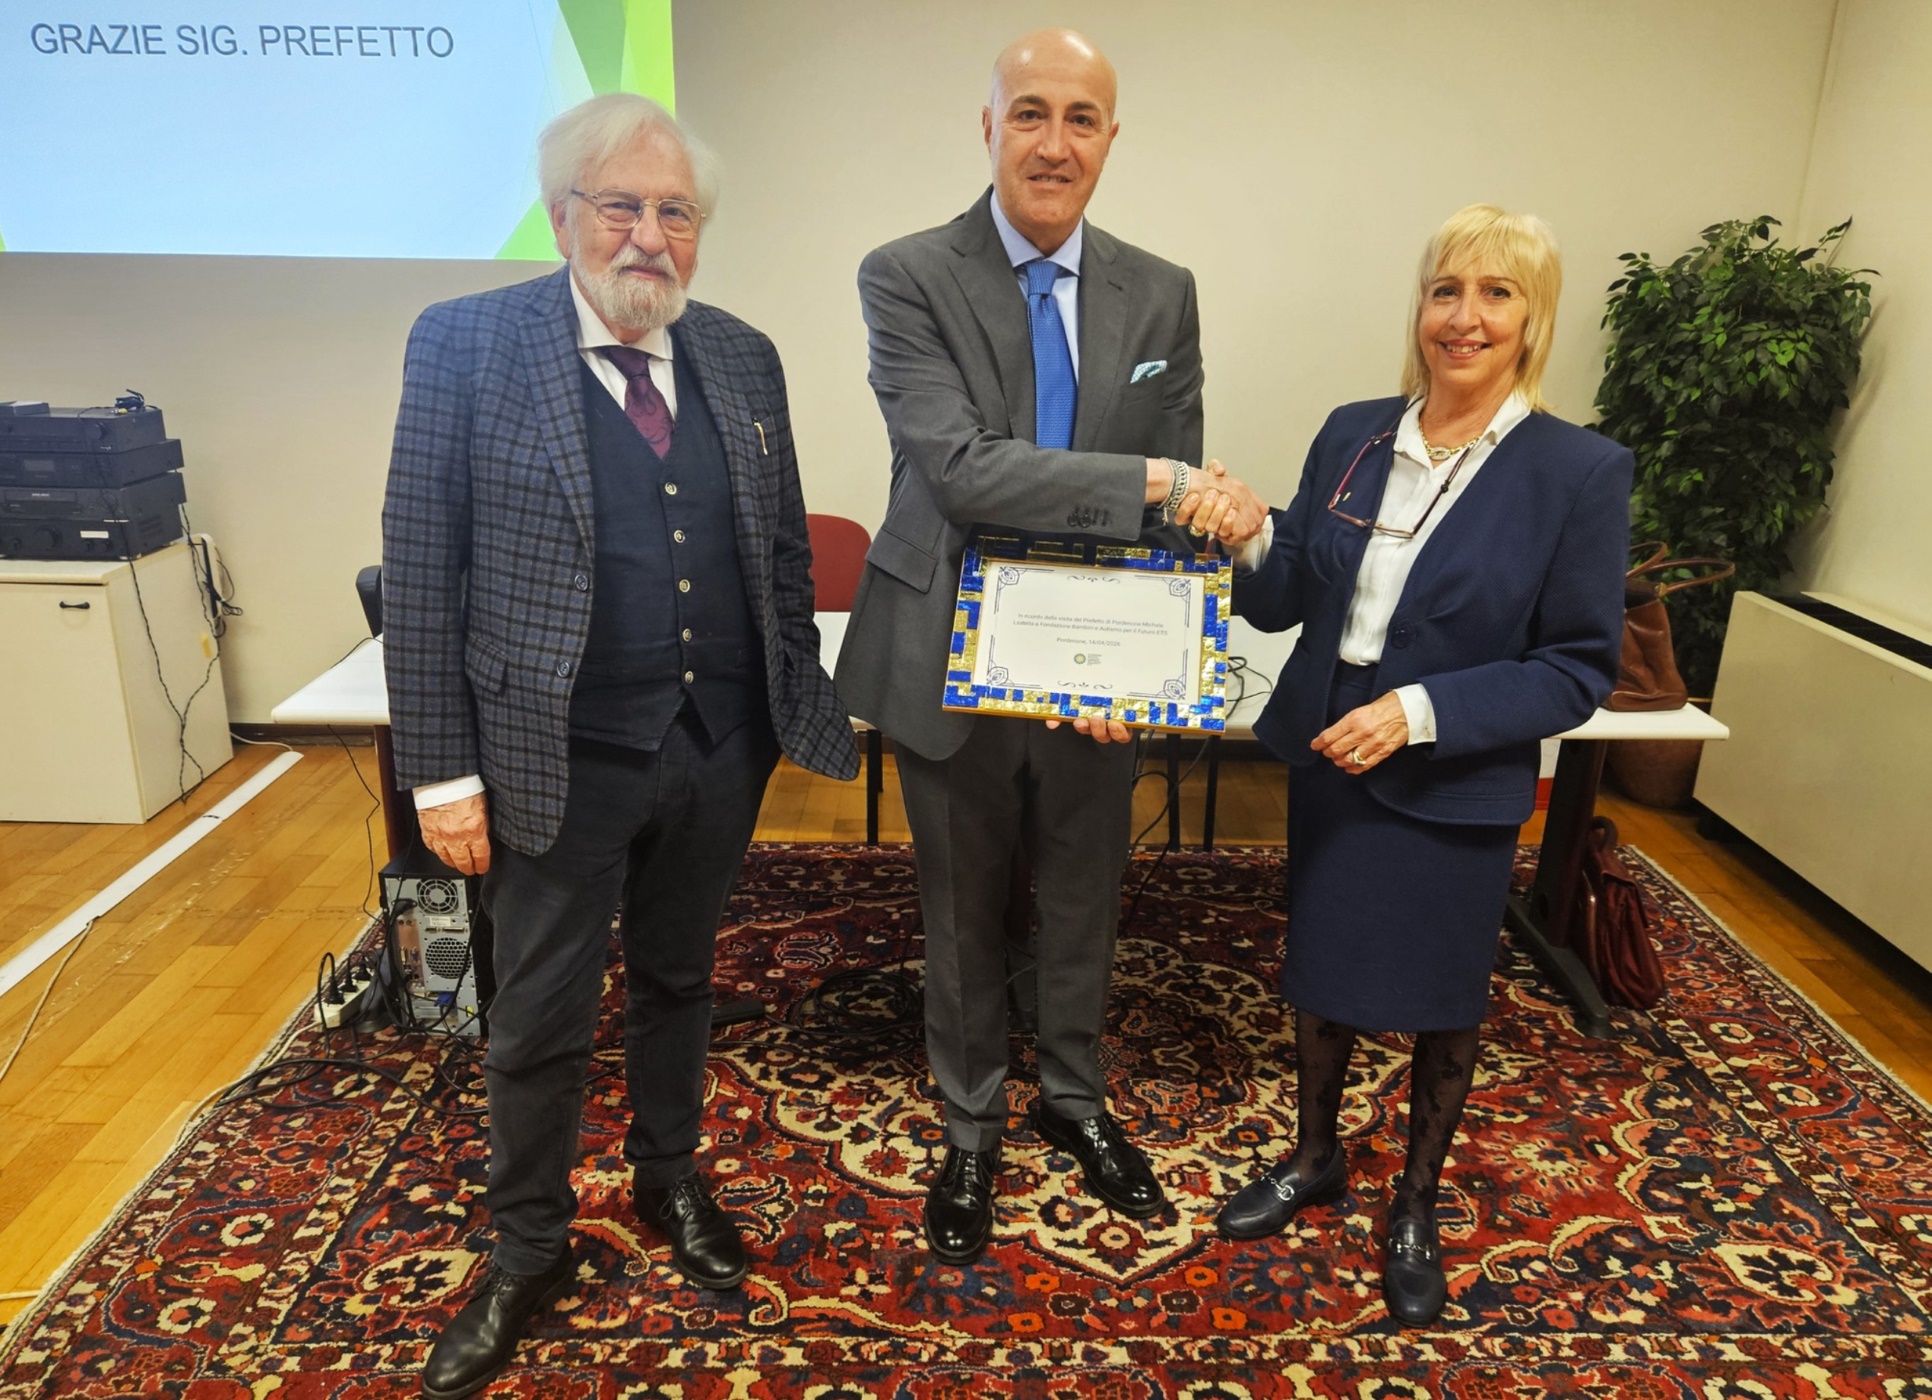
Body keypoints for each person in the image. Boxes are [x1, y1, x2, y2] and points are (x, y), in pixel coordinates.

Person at [381, 94, 857, 1399]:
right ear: (562, 218)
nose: (649, 235)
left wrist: (779, 708)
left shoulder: (743, 357)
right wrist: (443, 772)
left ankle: (666, 1176)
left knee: (679, 977)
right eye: (621, 206)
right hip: (553, 755)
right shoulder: (467, 344)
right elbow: (421, 572)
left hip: (716, 744)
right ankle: (528, 1247)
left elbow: (777, 550)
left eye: (675, 211)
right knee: (537, 1014)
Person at [836, 28, 1266, 1265]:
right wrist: (1157, 479)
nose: (1055, 142)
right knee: (962, 908)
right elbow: (963, 470)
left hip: (1103, 665)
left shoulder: (1163, 289)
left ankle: (1074, 1099)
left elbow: (1176, 505)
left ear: (1111, 139)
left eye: (1082, 119)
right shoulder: (906, 274)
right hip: (946, 650)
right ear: (988, 128)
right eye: (1030, 112)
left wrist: (1147, 662)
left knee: (1085, 899)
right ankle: (970, 1124)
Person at [1211, 206, 1630, 1326]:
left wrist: (1421, 710)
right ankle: (1315, 1158)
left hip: (1452, 773)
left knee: (1445, 1000)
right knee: (1323, 972)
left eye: (1497, 293)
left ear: (1533, 317)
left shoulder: (1578, 470)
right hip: (1329, 752)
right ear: (1421, 307)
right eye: (1447, 290)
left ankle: (1415, 1200)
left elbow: (1576, 667)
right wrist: (1250, 532)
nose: (1465, 317)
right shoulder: (1354, 433)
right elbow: (1287, 592)